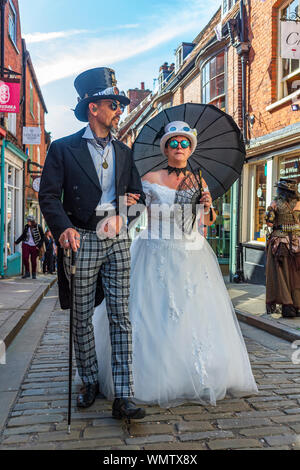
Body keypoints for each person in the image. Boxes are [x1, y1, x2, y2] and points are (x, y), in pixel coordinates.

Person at [93, 121, 258, 407]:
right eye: (174, 143)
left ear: (191, 148)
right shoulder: (150, 178)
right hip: (153, 249)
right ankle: (150, 375)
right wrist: (127, 202)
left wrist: (208, 206)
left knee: (193, 312)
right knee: (153, 311)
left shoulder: (200, 181)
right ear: (165, 148)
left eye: (184, 143)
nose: (179, 148)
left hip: (192, 252)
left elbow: (208, 222)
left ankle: (197, 372)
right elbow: (131, 213)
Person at [38, 67, 146, 421]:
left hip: (116, 241)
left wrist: (125, 215)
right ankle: (88, 381)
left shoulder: (125, 152)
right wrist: (63, 229)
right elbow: (49, 197)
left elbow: (138, 198)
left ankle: (123, 394)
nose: (119, 109)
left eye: (119, 103)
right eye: (112, 103)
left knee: (121, 316)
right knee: (82, 317)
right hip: (81, 239)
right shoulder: (63, 149)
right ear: (92, 109)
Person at [265, 178, 300, 318]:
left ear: (281, 191)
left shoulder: (275, 204)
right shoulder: (299, 203)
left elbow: (269, 222)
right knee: (296, 275)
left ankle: (287, 306)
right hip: (297, 243)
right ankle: (297, 305)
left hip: (280, 244)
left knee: (281, 275)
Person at [15, 214, 45, 279]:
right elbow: (23, 235)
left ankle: (34, 273)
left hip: (35, 245)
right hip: (26, 244)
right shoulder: (26, 227)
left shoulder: (38, 226)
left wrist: (39, 246)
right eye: (27, 221)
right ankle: (27, 272)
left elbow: (43, 237)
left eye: (29, 221)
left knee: (33, 260)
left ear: (32, 221)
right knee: (25, 258)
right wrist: (17, 242)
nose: (28, 222)